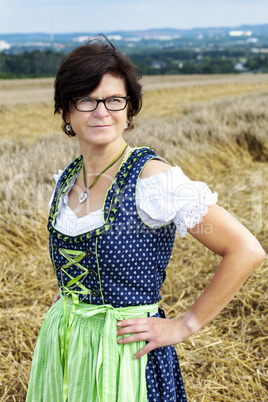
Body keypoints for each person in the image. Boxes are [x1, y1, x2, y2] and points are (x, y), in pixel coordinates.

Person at [26, 36, 265, 402]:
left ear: (129, 111)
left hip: (125, 357)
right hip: (65, 347)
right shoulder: (65, 180)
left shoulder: (153, 180)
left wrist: (185, 324)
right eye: (86, 100)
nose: (101, 111)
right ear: (67, 112)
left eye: (114, 100)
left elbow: (245, 250)